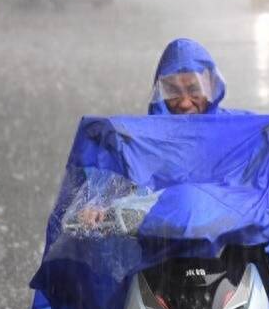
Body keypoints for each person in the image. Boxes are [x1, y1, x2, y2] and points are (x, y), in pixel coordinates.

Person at [77, 39, 242, 227]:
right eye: (173, 92)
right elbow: (110, 177)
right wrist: (96, 204)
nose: (185, 103)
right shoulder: (141, 142)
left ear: (211, 86)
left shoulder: (238, 131)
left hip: (225, 246)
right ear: (160, 93)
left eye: (194, 90)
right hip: (163, 245)